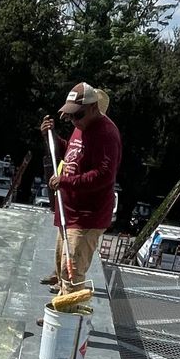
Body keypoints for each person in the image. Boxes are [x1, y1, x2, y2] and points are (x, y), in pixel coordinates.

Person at [39, 81, 121, 287]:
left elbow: (104, 175)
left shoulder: (105, 134)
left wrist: (65, 182)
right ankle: (60, 307)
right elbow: (72, 152)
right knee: (62, 265)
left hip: (86, 217)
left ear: (94, 108)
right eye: (69, 116)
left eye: (77, 115)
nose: (73, 121)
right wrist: (52, 137)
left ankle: (65, 316)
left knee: (72, 273)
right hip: (70, 212)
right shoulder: (82, 126)